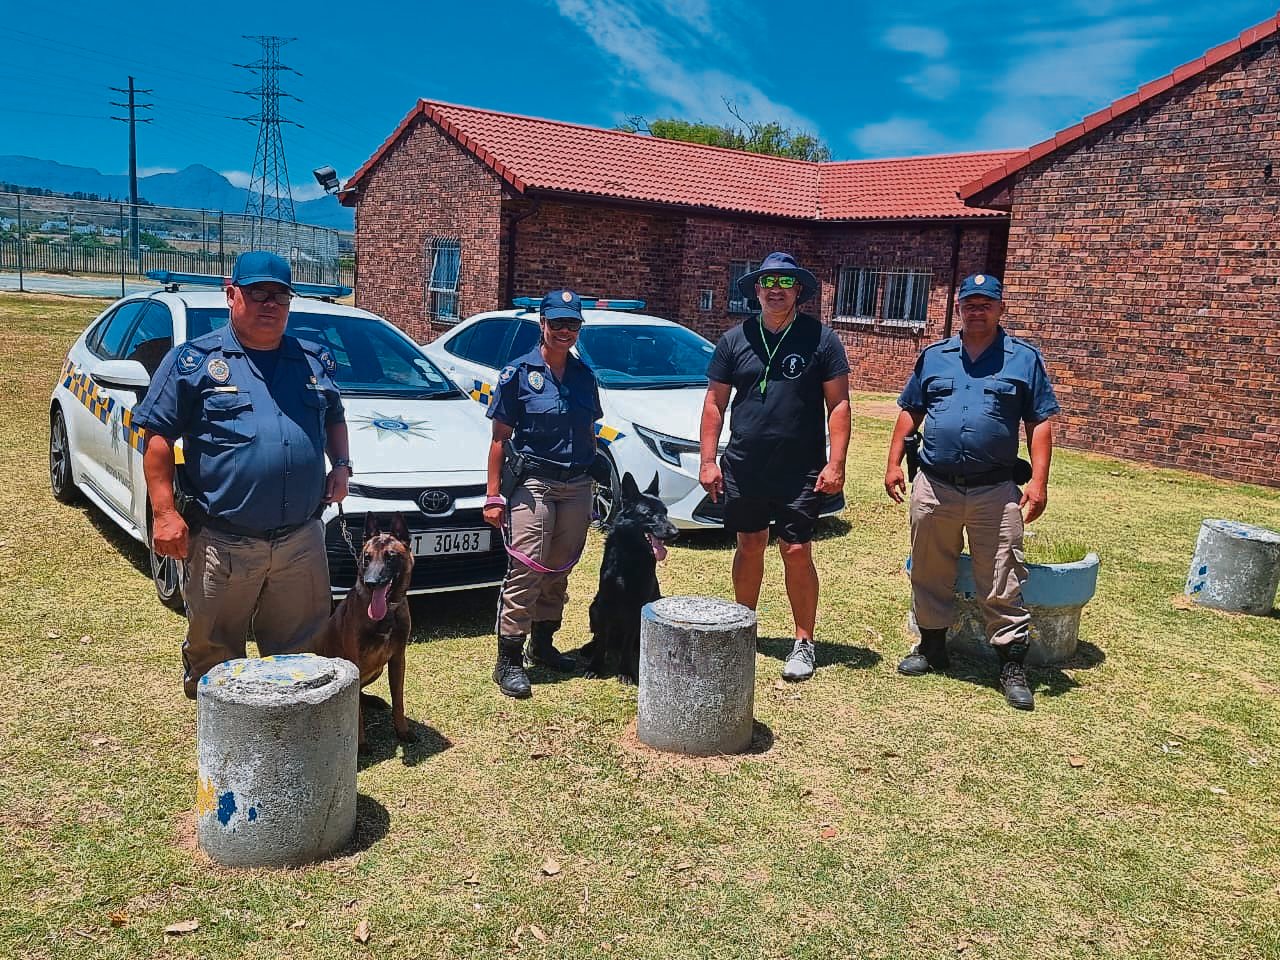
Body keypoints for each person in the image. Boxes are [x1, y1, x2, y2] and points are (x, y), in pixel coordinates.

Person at [134, 251, 351, 698]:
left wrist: (342, 466)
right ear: (231, 294)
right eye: (257, 293)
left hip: (300, 540)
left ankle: (291, 739)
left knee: (302, 653)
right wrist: (164, 514)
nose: (269, 303)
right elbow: (156, 440)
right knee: (215, 653)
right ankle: (220, 744)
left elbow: (334, 417)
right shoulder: (194, 362)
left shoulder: (312, 361)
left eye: (280, 295)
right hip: (224, 540)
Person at [884, 273, 1059, 710]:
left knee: (1002, 574)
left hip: (995, 490)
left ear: (1000, 308)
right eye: (969, 303)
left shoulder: (1023, 359)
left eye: (986, 303)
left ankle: (1010, 665)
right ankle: (932, 647)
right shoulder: (936, 357)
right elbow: (911, 413)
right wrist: (891, 463)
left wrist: (1038, 481)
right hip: (935, 485)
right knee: (929, 569)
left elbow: (1039, 422)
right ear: (958, 307)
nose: (976, 310)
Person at [699, 252, 851, 682]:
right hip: (746, 463)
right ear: (757, 290)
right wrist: (708, 460)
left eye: (785, 282)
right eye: (767, 282)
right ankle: (743, 627)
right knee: (749, 544)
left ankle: (804, 641)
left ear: (798, 290)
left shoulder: (821, 339)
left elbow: (838, 404)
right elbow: (714, 403)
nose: (775, 289)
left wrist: (836, 462)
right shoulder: (734, 340)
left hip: (800, 467)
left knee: (796, 549)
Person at [482, 289, 601, 699]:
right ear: (542, 324)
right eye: (558, 323)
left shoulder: (585, 376)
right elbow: (500, 438)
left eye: (573, 324)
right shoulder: (517, 374)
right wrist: (494, 496)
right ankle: (508, 660)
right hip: (534, 483)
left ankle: (544, 644)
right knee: (527, 568)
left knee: (560, 567)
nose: (565, 331)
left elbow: (589, 430)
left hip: (577, 485)